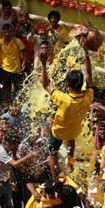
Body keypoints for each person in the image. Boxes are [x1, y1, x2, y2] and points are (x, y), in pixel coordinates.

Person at [40, 36, 94, 174]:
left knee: (53, 153)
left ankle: (55, 177)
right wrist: (86, 53)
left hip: (58, 131)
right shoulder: (88, 97)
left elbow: (45, 84)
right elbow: (89, 76)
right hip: (74, 130)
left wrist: (43, 63)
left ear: (68, 86)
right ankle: (70, 164)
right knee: (71, 142)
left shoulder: (64, 99)